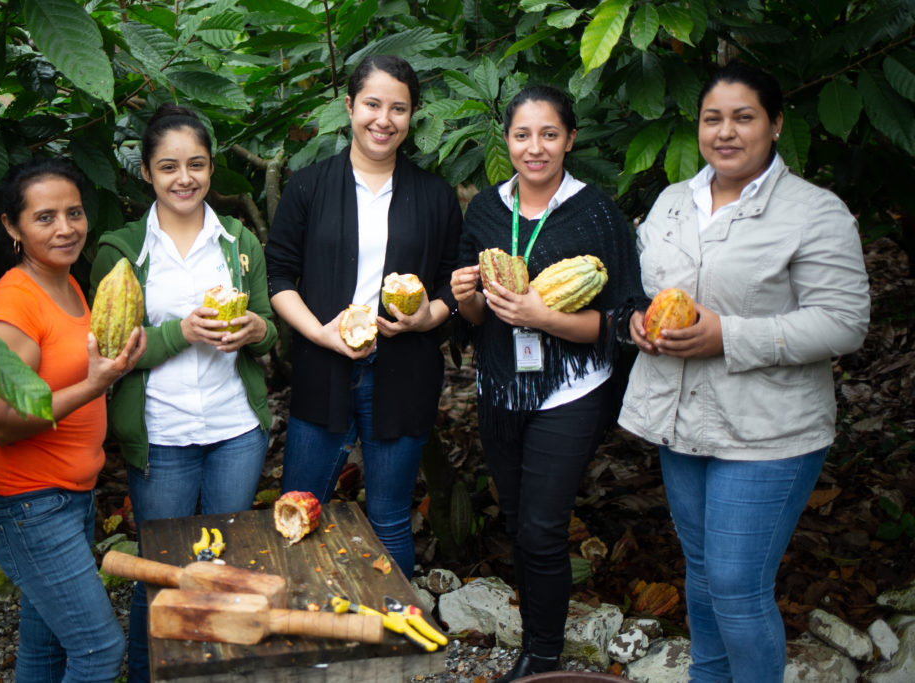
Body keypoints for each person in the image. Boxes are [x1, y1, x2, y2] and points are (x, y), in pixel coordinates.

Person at [619, 61, 870, 682]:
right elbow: (647, 286)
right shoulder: (673, 201)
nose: (725, 131)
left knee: (735, 583)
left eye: (743, 117)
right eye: (712, 119)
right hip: (683, 422)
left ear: (776, 124)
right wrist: (636, 320)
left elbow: (844, 322)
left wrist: (727, 336)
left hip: (767, 430)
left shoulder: (814, 211)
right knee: (702, 576)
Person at [450, 85, 645, 680]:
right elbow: (473, 320)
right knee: (517, 522)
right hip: (502, 388)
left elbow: (620, 322)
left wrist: (544, 317)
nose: (535, 148)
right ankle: (536, 644)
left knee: (541, 526)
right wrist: (467, 301)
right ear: (506, 140)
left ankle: (542, 657)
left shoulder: (597, 212)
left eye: (549, 134)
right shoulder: (485, 209)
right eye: (522, 135)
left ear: (570, 140)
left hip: (572, 387)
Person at [89, 103, 277, 682]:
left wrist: (255, 331)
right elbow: (108, 351)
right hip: (162, 433)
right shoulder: (122, 251)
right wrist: (181, 332)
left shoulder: (238, 240)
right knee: (161, 576)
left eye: (196, 164)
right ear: (146, 173)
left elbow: (271, 326)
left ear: (212, 168)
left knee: (220, 570)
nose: (184, 178)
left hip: (234, 431)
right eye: (168, 166)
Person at [265, 54, 462, 579]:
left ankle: (392, 637)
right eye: (372, 104)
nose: (384, 119)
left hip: (403, 370)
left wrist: (427, 318)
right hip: (322, 363)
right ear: (349, 106)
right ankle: (302, 630)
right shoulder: (308, 187)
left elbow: (451, 284)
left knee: (389, 516)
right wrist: (319, 334)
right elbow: (279, 277)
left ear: (411, 116)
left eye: (398, 108)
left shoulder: (435, 196)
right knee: (298, 505)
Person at [0, 158, 146, 682]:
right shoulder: (11, 307)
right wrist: (96, 384)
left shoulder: (67, 283)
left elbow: (67, 378)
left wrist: (111, 371)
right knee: (98, 650)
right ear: (12, 227)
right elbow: (0, 422)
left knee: (46, 648)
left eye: (74, 213)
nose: (66, 228)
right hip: (29, 503)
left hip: (69, 494)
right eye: (45, 217)